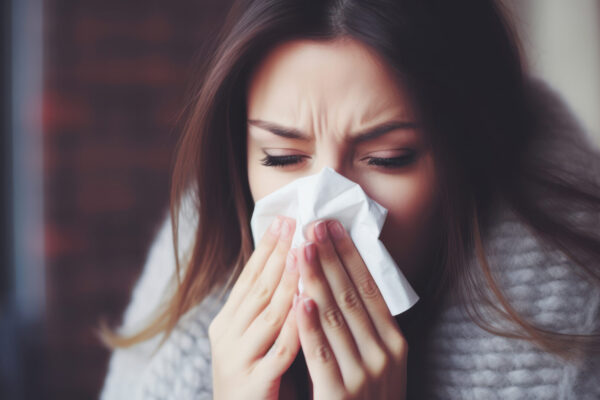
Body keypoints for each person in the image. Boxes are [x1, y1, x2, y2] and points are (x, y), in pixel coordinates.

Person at [99, 0, 600, 399]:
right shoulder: (184, 281)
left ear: (468, 158)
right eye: (280, 157)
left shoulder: (578, 338)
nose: (323, 213)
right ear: (240, 153)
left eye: (387, 158)